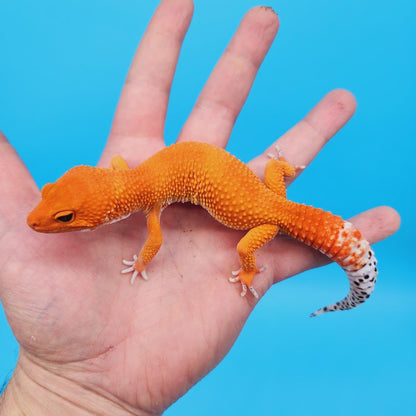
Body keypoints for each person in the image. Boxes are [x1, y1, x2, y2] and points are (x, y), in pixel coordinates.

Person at [0, 0, 400, 414]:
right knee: (274, 181)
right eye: (58, 207)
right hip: (269, 191)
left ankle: (333, 284)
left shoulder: (143, 199)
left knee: (245, 250)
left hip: (263, 218)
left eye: (66, 217)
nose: (49, 218)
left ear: (111, 206)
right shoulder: (125, 177)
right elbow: (117, 169)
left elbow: (153, 241)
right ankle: (289, 183)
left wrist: (143, 264)